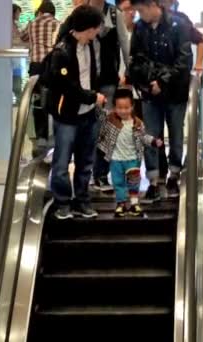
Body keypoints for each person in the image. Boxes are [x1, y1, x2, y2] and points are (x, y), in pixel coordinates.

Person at [57, 0, 131, 193]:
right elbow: (62, 38)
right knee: (87, 129)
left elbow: (124, 44)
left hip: (106, 80)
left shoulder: (114, 14)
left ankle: (100, 175)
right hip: (84, 81)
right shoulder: (80, 13)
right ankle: (86, 176)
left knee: (104, 129)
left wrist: (129, 73)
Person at [41, 5, 107, 220]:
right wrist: (91, 97)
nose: (97, 32)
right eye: (95, 28)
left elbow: (92, 76)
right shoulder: (62, 51)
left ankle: (82, 200)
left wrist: (93, 99)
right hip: (67, 116)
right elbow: (66, 86)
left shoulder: (89, 46)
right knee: (61, 162)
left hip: (88, 114)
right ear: (86, 28)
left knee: (86, 161)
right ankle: (62, 203)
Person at [129, 0, 192, 202]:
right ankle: (153, 181)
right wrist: (151, 81)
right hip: (150, 93)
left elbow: (183, 61)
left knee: (176, 133)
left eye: (140, 10)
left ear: (152, 5)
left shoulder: (178, 25)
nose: (139, 14)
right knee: (150, 136)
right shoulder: (140, 28)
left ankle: (174, 175)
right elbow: (136, 59)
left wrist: (163, 82)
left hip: (175, 92)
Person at [157, 0, 203, 181]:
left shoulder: (182, 20)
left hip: (177, 87)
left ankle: (174, 170)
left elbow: (200, 40)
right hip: (155, 87)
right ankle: (160, 171)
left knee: (176, 130)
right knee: (155, 132)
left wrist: (199, 64)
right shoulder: (147, 22)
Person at [97, 88, 163, 217]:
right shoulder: (110, 119)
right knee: (118, 182)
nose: (123, 111)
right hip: (116, 159)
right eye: (119, 108)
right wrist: (99, 104)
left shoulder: (137, 123)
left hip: (133, 158)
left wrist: (154, 141)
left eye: (126, 107)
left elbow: (144, 137)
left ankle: (134, 203)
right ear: (115, 107)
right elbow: (100, 115)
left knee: (134, 182)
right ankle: (121, 204)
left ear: (132, 107)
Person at [28, 0, 59, 148]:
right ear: (53, 12)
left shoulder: (32, 23)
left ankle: (41, 136)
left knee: (38, 100)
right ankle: (53, 135)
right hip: (51, 66)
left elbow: (22, 37)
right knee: (53, 99)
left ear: (40, 11)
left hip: (35, 66)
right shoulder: (57, 24)